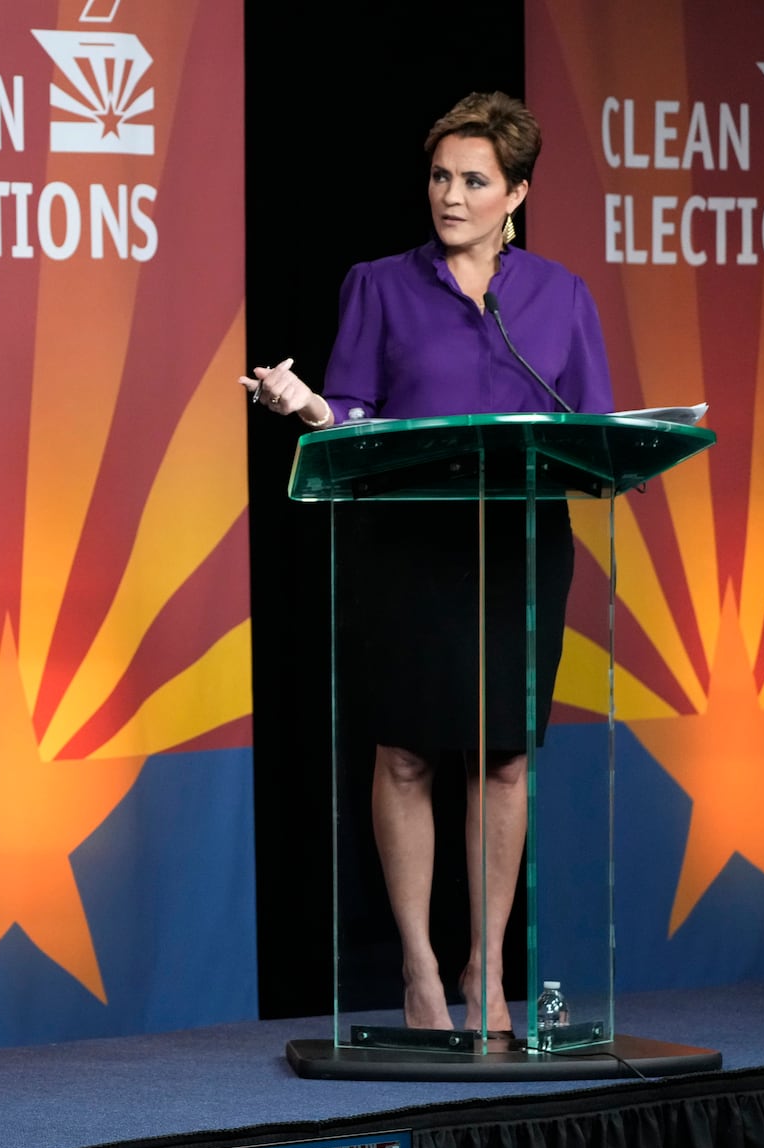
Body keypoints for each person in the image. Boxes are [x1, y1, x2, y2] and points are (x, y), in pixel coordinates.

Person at [240, 92, 613, 1035]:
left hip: (516, 548)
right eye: (441, 176)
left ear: (516, 193)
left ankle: (488, 971)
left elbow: (592, 432)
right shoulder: (378, 283)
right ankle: (417, 970)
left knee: (500, 759)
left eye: (475, 181)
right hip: (403, 547)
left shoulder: (560, 296)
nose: (451, 196)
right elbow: (354, 412)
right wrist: (310, 407)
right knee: (404, 754)